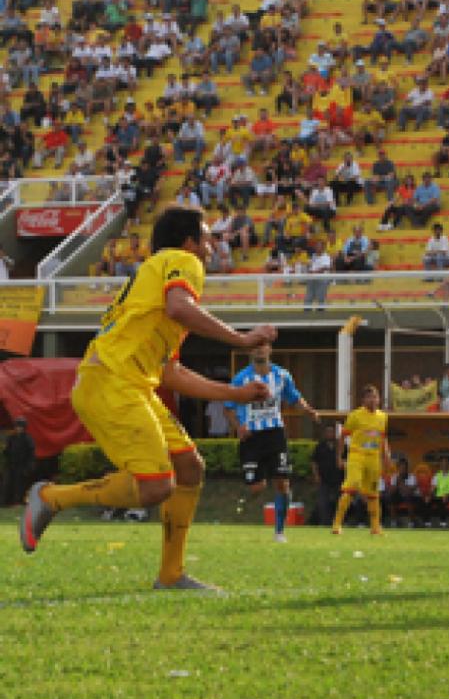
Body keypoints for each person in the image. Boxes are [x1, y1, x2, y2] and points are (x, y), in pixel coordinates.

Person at [19, 206, 277, 590]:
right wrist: (241, 339)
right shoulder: (182, 261)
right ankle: (52, 497)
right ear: (189, 241)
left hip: (126, 382)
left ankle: (171, 576)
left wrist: (234, 393)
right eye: (206, 237)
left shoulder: (151, 282)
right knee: (157, 486)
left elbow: (169, 372)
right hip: (112, 381)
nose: (210, 245)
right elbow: (180, 307)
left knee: (189, 467)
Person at [223, 345, 320, 543]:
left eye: (263, 347)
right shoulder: (241, 379)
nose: (259, 351)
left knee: (282, 483)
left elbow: (294, 397)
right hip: (251, 437)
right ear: (250, 352)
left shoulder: (282, 375)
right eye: (255, 347)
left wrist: (309, 411)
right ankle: (254, 487)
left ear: (269, 350)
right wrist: (238, 427)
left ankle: (279, 531)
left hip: (275, 434)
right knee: (257, 487)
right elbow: (228, 408)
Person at [331, 384, 390, 536]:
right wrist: (339, 456)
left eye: (375, 397)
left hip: (373, 457)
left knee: (373, 493)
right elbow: (343, 435)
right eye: (369, 397)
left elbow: (382, 437)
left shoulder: (383, 417)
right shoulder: (355, 416)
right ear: (363, 400)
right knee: (351, 487)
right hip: (357, 456)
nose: (373, 400)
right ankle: (337, 525)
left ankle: (375, 527)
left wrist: (386, 455)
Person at [310, 424, 343, 526]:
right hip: (323, 479)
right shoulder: (320, 446)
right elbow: (314, 462)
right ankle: (325, 523)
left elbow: (347, 460)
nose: (330, 434)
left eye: (331, 432)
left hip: (339, 479)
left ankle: (339, 522)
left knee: (339, 502)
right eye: (327, 432)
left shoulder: (341, 446)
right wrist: (316, 475)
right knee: (323, 502)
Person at [3, 418, 35, 506]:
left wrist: (28, 467)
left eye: (20, 427)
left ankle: (17, 502)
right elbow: (7, 451)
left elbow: (31, 454)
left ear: (24, 428)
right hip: (10, 465)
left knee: (19, 485)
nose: (18, 429)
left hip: (22, 465)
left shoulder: (28, 439)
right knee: (7, 483)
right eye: (17, 426)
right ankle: (5, 503)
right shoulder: (11, 438)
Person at [424, 457, 449, 528]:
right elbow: (432, 488)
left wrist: (447, 494)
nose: (444, 464)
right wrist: (429, 496)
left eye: (446, 463)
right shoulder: (437, 475)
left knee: (443, 501)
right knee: (426, 501)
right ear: (440, 465)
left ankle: (443, 522)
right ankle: (427, 522)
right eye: (442, 463)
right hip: (438, 496)